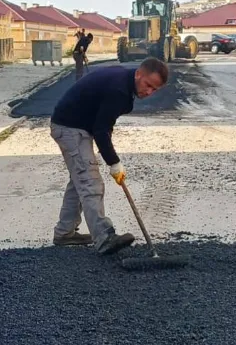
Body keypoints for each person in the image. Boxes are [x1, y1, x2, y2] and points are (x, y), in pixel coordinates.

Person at [50, 57, 169, 254]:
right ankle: (104, 236)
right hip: (69, 127)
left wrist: (111, 156)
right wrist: (114, 162)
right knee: (90, 182)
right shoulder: (119, 90)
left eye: (154, 89)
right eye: (148, 85)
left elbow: (104, 124)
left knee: (80, 180)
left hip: (76, 124)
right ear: (139, 74)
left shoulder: (124, 82)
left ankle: (65, 232)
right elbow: (101, 129)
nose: (149, 92)